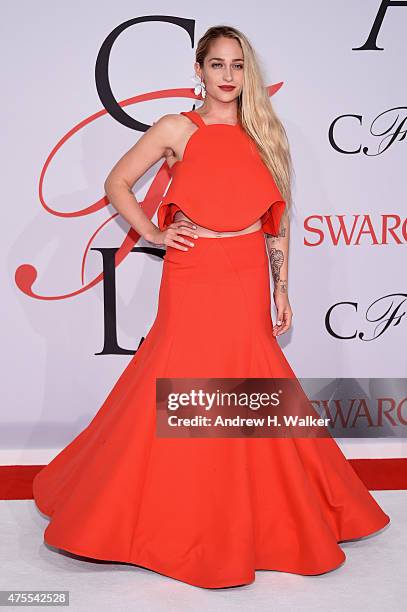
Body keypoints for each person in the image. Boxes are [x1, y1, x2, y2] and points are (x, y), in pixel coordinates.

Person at [33, 25, 390, 589]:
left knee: (251, 384)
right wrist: (152, 232)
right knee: (182, 381)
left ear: (248, 73)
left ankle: (265, 516)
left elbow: (278, 224)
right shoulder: (177, 128)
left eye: (238, 65)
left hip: (246, 271)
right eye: (217, 65)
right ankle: (172, 516)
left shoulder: (264, 134)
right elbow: (117, 181)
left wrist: (281, 289)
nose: (228, 76)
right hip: (192, 274)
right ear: (198, 70)